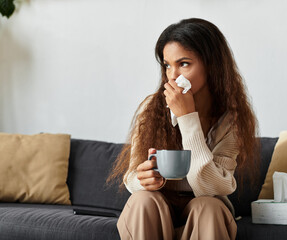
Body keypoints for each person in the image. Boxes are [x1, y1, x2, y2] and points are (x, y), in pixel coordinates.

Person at [107, 18, 259, 240]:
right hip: (158, 205)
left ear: (211, 65)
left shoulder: (231, 120)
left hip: (206, 207)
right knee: (143, 200)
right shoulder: (152, 108)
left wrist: (188, 118)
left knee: (207, 207)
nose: (172, 75)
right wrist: (143, 178)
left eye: (184, 63)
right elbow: (131, 178)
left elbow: (209, 188)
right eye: (167, 65)